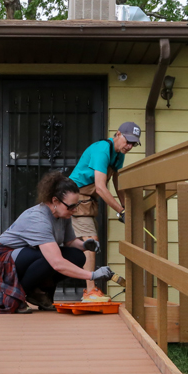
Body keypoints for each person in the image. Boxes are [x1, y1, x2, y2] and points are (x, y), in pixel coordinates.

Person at [0, 172, 114, 314]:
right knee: (49, 258)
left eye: (77, 205)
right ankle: (21, 292)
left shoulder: (63, 215)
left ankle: (37, 292)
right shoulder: (39, 218)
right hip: (5, 257)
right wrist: (92, 275)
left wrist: (84, 245)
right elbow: (56, 262)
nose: (74, 210)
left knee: (77, 256)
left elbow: (69, 242)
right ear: (55, 201)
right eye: (71, 206)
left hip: (29, 254)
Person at [69, 121, 141, 302]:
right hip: (73, 198)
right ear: (117, 134)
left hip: (86, 201)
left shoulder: (119, 154)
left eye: (134, 143)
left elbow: (118, 182)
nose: (130, 146)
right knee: (91, 242)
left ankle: (90, 289)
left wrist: (126, 208)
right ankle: (90, 291)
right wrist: (120, 211)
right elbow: (101, 188)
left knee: (84, 244)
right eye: (128, 141)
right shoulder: (102, 149)